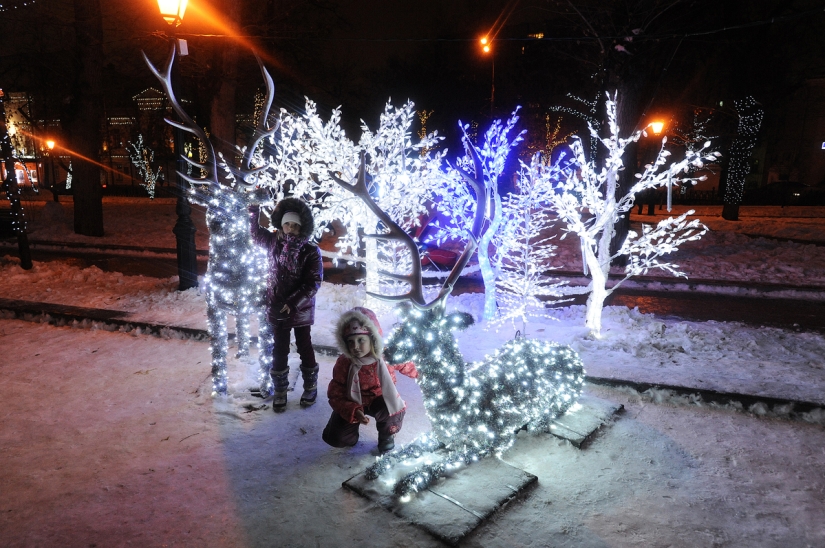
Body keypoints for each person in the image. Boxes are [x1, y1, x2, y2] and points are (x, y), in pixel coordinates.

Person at [250, 197, 323, 412]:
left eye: (295, 225)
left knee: (304, 346)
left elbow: (313, 283)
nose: (291, 228)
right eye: (287, 223)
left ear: (302, 227)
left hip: (299, 309)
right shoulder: (274, 242)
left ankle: (310, 386)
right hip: (277, 307)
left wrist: (293, 303)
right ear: (281, 224)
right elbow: (255, 234)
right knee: (279, 349)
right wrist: (254, 213)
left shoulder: (310, 250)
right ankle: (280, 389)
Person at [322, 307, 418, 453]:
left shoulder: (385, 356)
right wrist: (352, 410)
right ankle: (350, 435)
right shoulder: (345, 363)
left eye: (361, 340)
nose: (355, 347)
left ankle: (387, 435)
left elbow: (406, 365)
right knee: (336, 438)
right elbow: (335, 393)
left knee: (392, 406)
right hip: (353, 401)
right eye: (350, 342)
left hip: (379, 399)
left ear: (372, 338)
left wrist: (423, 373)